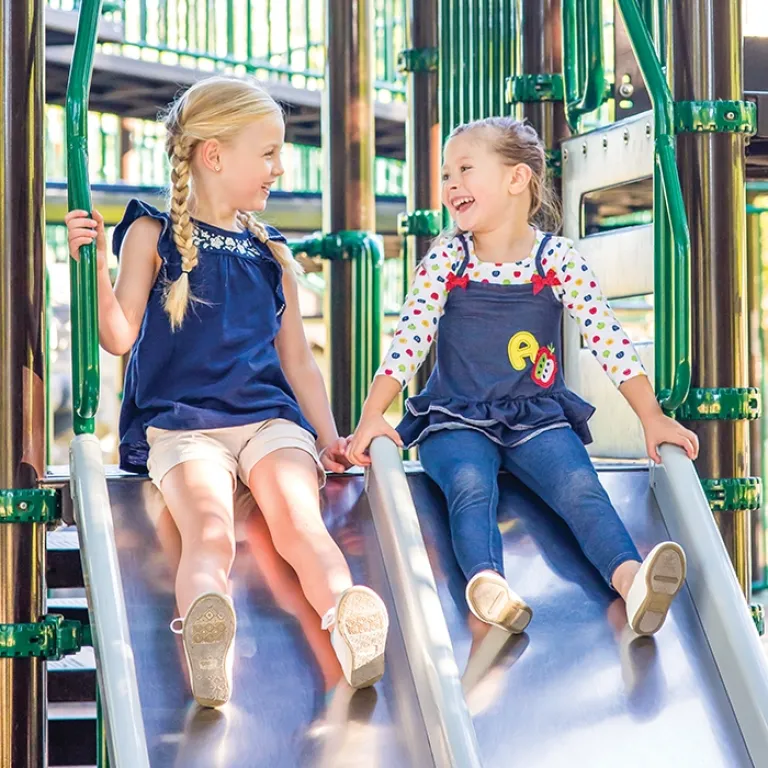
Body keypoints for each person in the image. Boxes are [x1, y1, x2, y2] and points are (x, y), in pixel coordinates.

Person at [65, 76, 388, 707]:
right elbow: (118, 334)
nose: (279, 166)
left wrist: (328, 436)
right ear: (213, 154)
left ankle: (348, 619)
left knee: (300, 522)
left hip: (269, 423)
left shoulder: (269, 249)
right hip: (184, 427)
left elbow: (296, 359)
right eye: (267, 152)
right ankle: (206, 633)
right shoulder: (152, 233)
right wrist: (93, 267)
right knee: (206, 531)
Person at [347, 116, 699, 638]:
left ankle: (632, 581)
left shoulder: (554, 258)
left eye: (465, 169)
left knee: (580, 487)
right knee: (470, 484)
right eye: (446, 175)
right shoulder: (449, 257)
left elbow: (607, 338)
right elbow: (409, 340)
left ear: (517, 179)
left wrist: (652, 417)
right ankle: (488, 585)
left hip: (535, 414)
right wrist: (373, 415)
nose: (450, 185)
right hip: (456, 416)